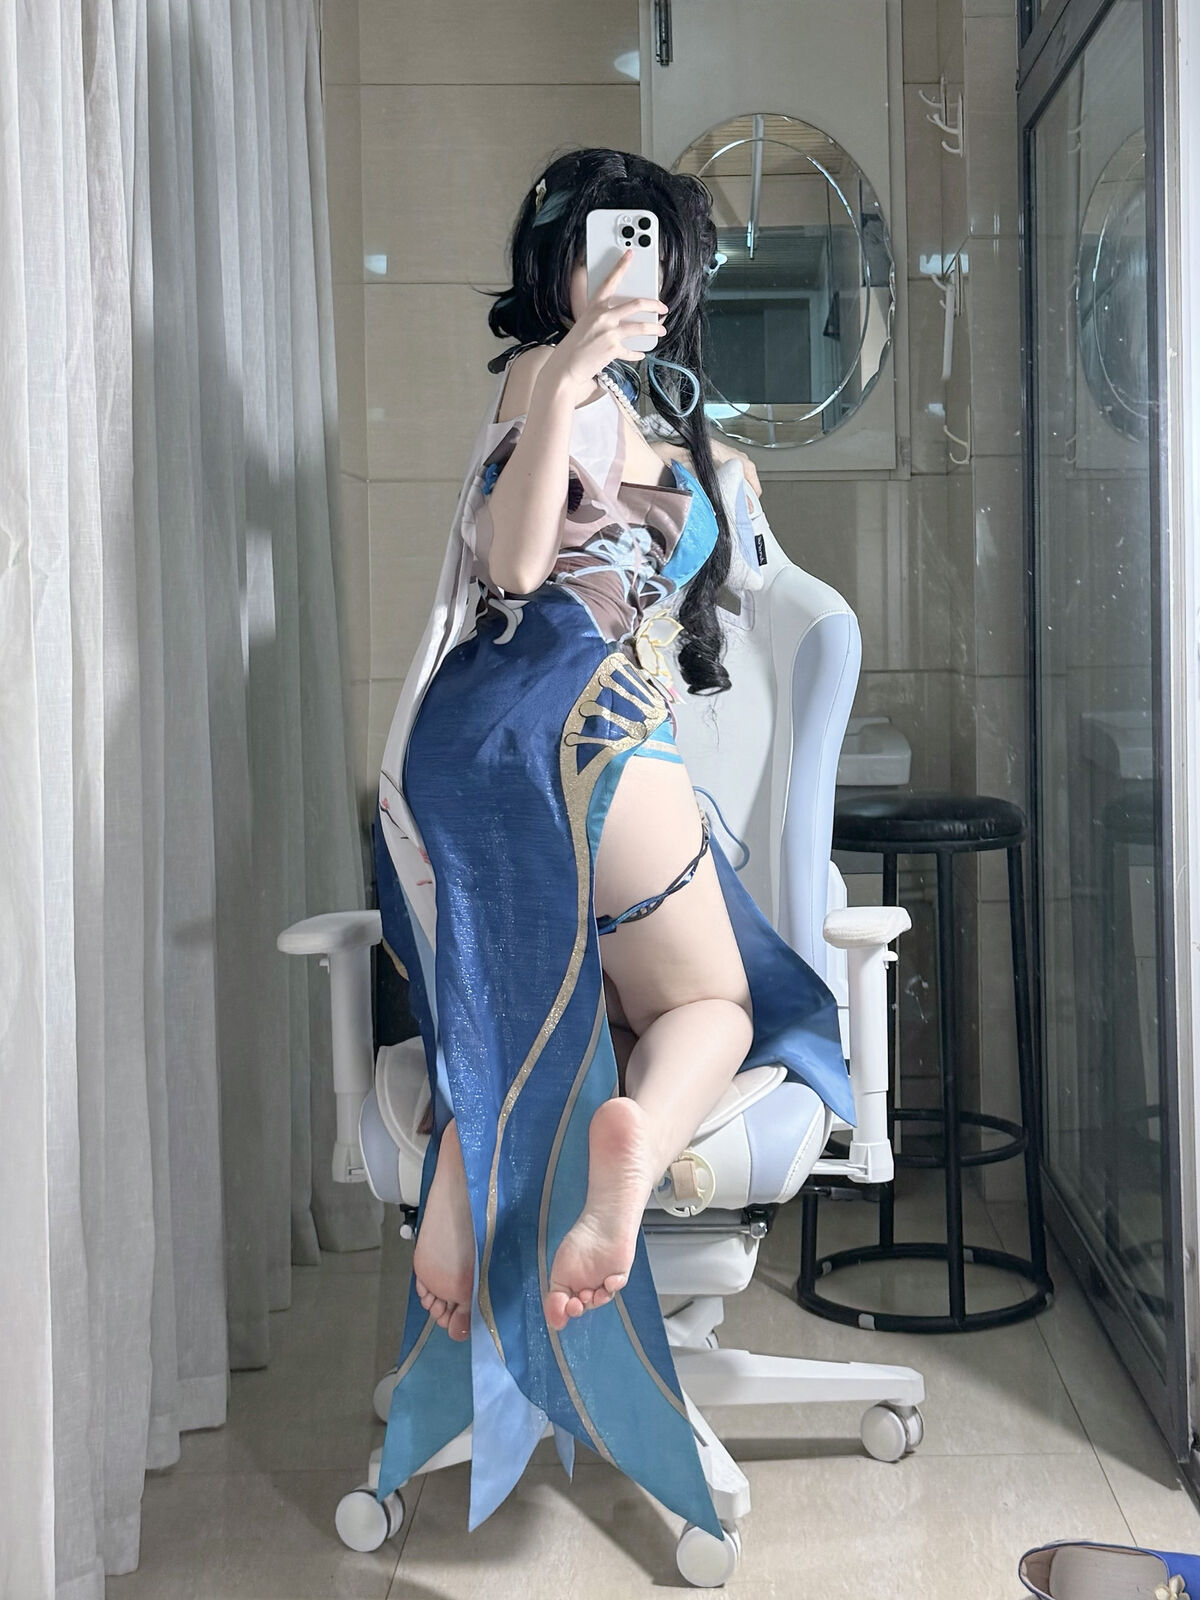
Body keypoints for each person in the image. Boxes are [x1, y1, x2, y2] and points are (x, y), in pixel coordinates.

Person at [372, 148, 855, 1537]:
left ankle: (464, 1168)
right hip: (591, 732)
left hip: (476, 748)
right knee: (710, 1002)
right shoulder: (557, 379)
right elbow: (519, 568)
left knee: (542, 984)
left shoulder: (623, 407)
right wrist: (576, 375)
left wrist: (637, 424)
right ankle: (630, 1153)